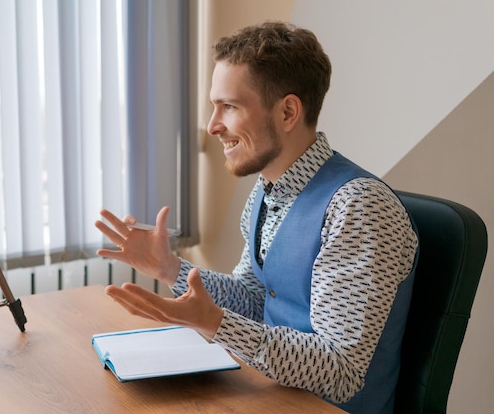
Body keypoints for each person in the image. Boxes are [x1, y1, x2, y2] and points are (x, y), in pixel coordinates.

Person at [94, 21, 418, 414]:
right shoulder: (267, 193)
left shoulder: (358, 207)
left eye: (229, 106)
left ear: (287, 112)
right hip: (270, 394)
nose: (213, 125)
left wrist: (216, 324)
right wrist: (169, 267)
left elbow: (341, 370)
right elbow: (252, 299)